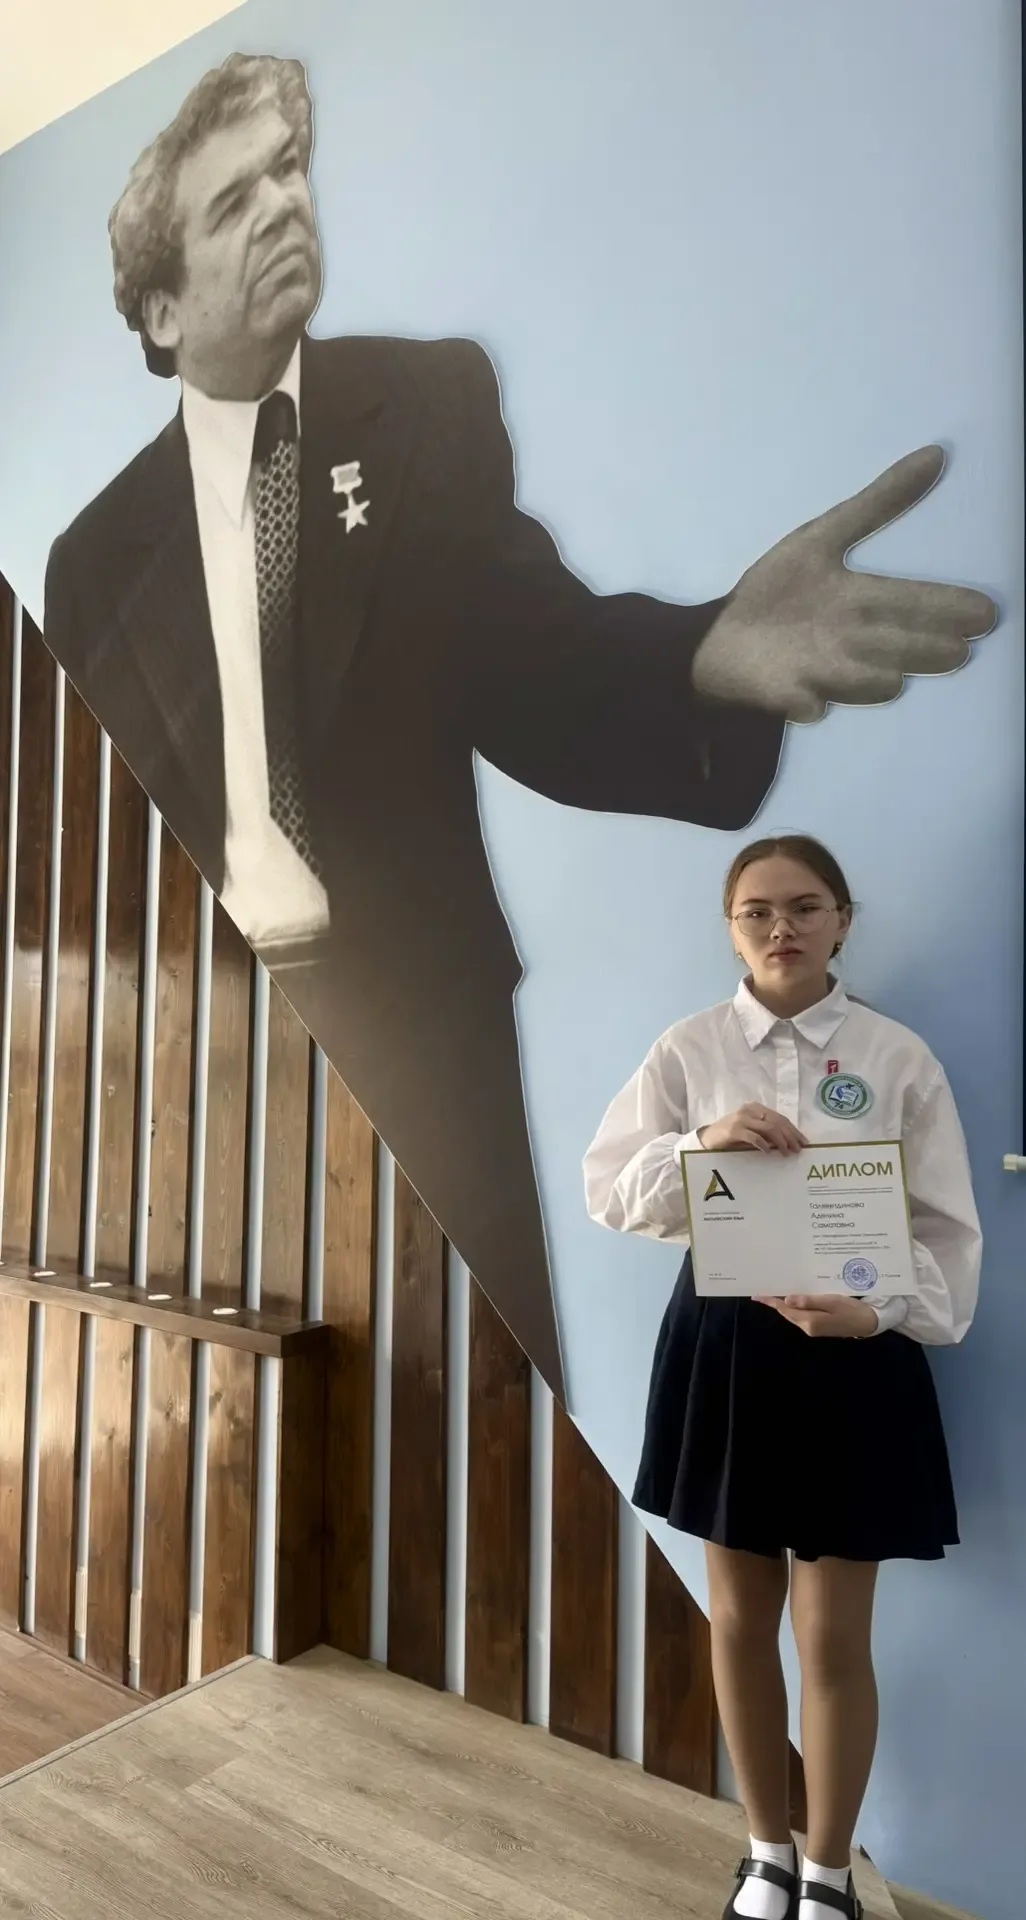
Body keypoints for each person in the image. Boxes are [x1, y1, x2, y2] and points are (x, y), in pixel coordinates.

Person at [43, 53, 994, 1407]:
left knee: (475, 1393)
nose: (283, 206)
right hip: (202, 1035)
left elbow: (519, 648)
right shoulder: (93, 562)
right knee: (207, 1385)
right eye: (233, 202)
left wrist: (698, 652)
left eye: (288, 172)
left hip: (417, 1012)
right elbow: (93, 837)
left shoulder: (420, 404)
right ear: (160, 305)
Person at [583, 834, 981, 1920]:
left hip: (859, 1352)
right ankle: (765, 1852)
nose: (781, 928)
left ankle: (829, 1870)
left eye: (805, 907)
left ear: (843, 920)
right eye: (756, 911)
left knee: (833, 1636)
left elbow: (947, 1231)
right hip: (726, 1351)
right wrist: (702, 1143)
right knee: (737, 1619)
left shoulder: (899, 1058)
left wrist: (878, 1313)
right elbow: (609, 1188)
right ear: (731, 929)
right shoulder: (690, 1049)